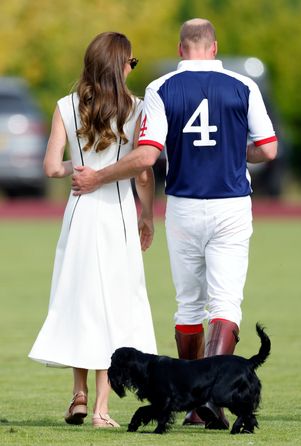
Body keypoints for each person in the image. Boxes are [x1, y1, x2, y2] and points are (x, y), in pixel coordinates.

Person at [71, 19, 278, 429]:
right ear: (214, 47)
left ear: (182, 50)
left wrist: (96, 176)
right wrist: (237, 153)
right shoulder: (244, 85)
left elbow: (147, 157)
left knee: (188, 306)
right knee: (225, 304)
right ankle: (211, 401)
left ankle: (195, 405)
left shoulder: (161, 88)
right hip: (232, 205)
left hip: (184, 205)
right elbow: (269, 149)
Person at [29, 31, 157, 429]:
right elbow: (142, 169)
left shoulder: (65, 106)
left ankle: (78, 394)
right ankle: (102, 408)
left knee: (80, 301)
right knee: (114, 306)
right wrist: (147, 214)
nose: (131, 68)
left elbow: (51, 168)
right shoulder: (136, 109)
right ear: (119, 65)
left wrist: (76, 168)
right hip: (116, 213)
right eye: (130, 62)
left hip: (80, 214)